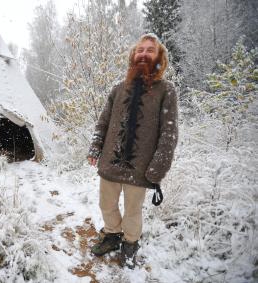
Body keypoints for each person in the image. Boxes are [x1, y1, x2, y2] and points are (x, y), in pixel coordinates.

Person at [87, 33, 178, 269]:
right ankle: (112, 235)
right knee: (106, 205)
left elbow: (169, 134)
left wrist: (157, 168)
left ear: (159, 57)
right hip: (109, 163)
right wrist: (96, 146)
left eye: (150, 50)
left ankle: (129, 243)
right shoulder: (118, 89)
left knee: (132, 212)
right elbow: (103, 122)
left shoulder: (166, 91)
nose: (144, 54)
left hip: (141, 169)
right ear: (133, 55)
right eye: (140, 50)